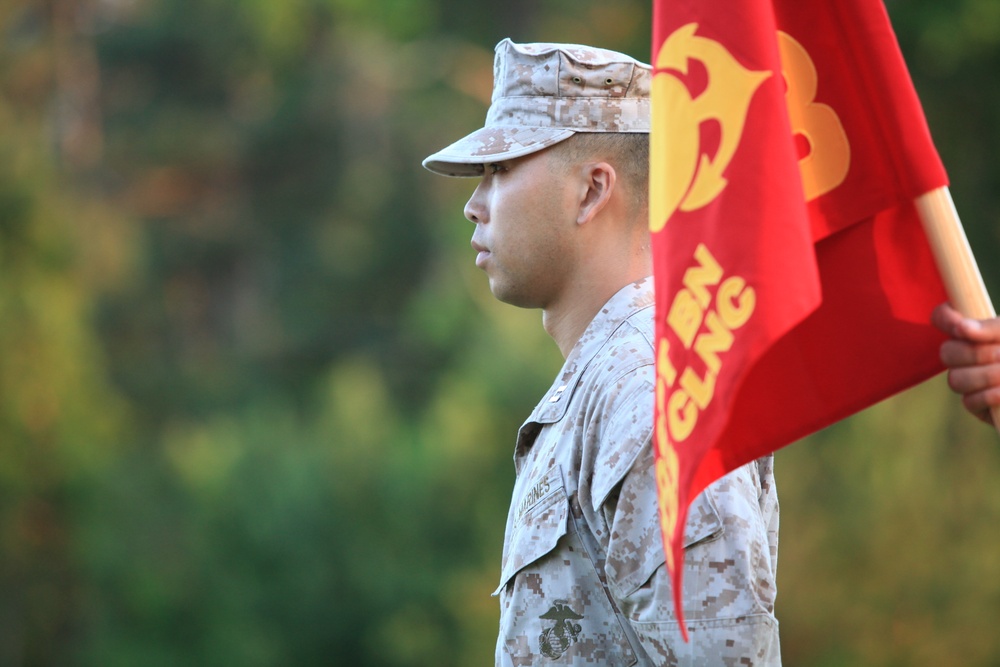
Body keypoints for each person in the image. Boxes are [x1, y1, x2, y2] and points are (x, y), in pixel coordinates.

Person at [423, 39, 780, 666]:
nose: (473, 205)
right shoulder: (609, 377)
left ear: (592, 191)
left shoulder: (649, 387)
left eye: (501, 170)